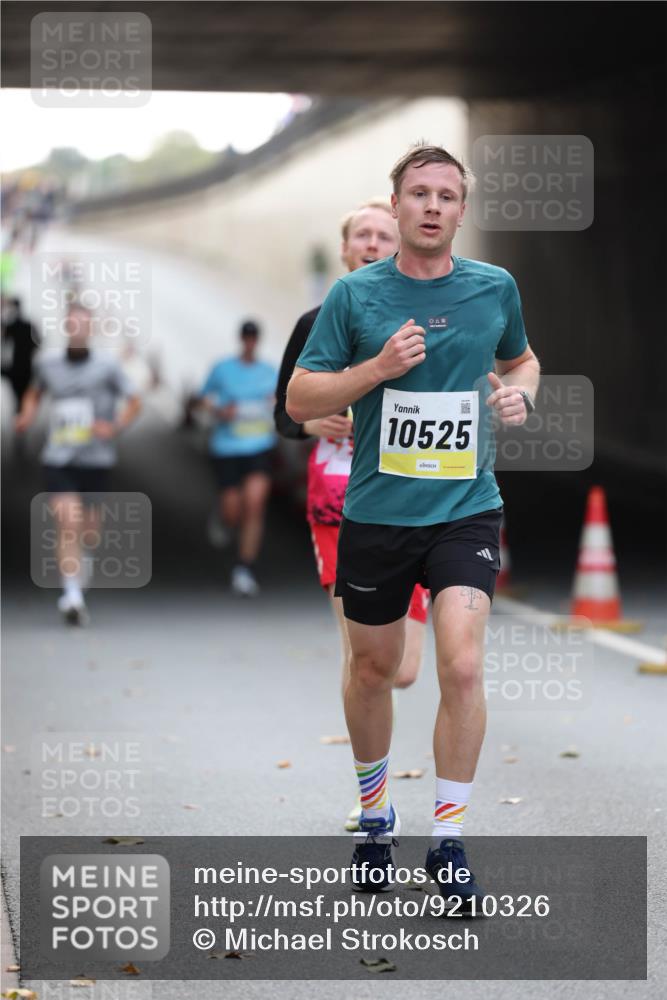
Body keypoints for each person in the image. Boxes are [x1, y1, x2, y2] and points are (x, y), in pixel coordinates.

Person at [287, 144, 540, 907]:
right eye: (418, 193)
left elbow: (522, 361)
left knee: (460, 666)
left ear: (461, 210)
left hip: (465, 508)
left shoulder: (494, 287)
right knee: (373, 670)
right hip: (376, 515)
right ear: (394, 206)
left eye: (446, 195)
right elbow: (300, 398)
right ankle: (373, 820)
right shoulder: (354, 297)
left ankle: (449, 838)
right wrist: (375, 372)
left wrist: (521, 396)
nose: (432, 206)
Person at [275, 200, 430, 831]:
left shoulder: (426, 312)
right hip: (338, 500)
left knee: (406, 669)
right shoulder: (317, 320)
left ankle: (373, 773)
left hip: (418, 499)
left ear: (400, 246)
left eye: (382, 235)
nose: (370, 243)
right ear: (344, 250)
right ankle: (374, 800)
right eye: (360, 235)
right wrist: (315, 419)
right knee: (363, 656)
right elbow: (283, 413)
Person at [15, 302, 141, 625]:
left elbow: (135, 400)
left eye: (83, 325)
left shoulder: (108, 365)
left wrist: (115, 426)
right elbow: (34, 392)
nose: (77, 330)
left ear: (91, 329)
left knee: (89, 533)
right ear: (66, 328)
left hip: (96, 459)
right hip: (59, 457)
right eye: (72, 325)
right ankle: (72, 595)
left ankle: (79, 567)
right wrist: (27, 413)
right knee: (67, 523)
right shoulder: (49, 364)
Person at [199, 320, 277, 597]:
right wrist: (221, 409)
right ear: (241, 339)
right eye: (246, 338)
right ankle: (224, 519)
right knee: (234, 509)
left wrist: (274, 404)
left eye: (254, 338)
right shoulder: (223, 369)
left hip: (259, 446)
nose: (250, 343)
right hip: (227, 448)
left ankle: (244, 568)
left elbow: (287, 402)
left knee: (254, 504)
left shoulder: (270, 372)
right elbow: (201, 398)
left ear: (258, 341)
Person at [1, 296, 40, 413]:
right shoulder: (26, 325)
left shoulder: (13, 326)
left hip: (20, 367)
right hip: (23, 367)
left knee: (20, 394)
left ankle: (20, 414)